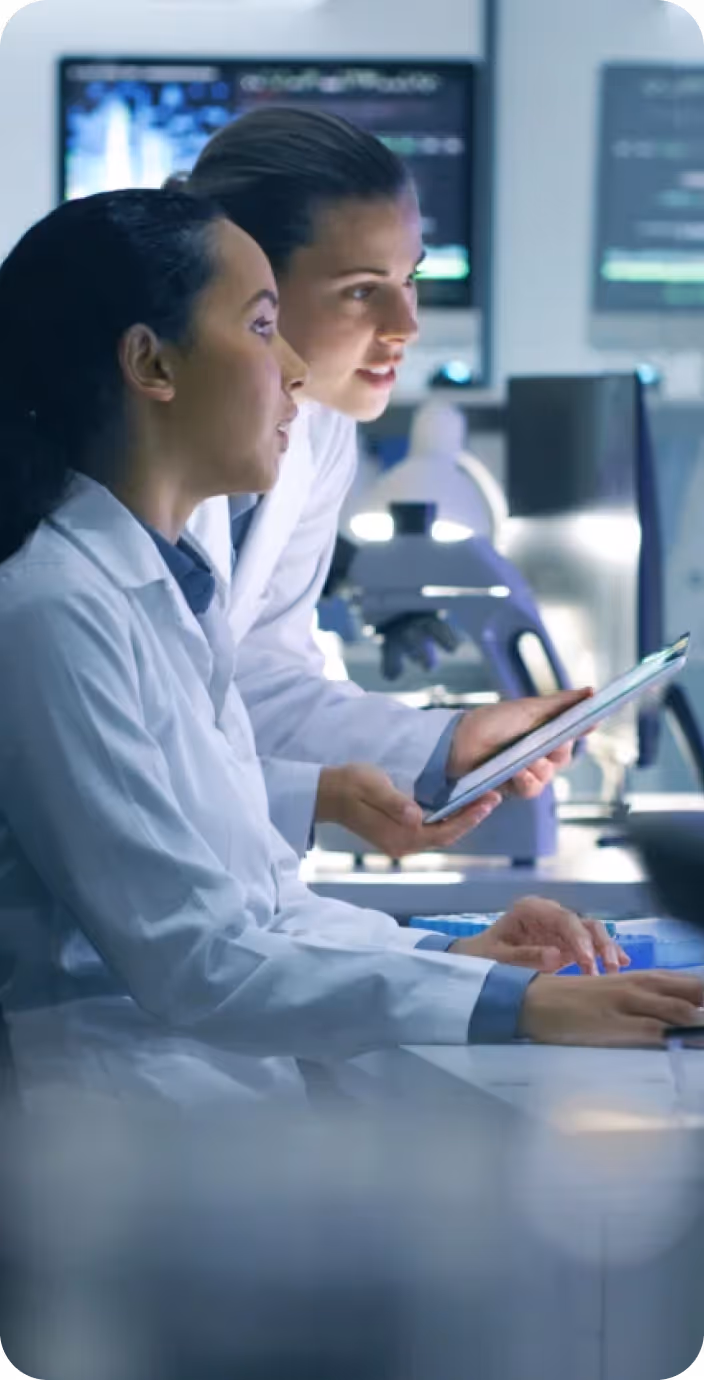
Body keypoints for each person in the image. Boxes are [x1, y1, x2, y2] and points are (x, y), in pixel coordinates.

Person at [0, 189, 701, 1109]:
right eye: (261, 326)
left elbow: (265, 908)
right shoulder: (53, 606)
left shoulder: (166, 590)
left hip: (216, 1106)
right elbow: (197, 959)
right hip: (124, 1132)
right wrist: (520, 1003)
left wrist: (462, 955)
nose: (293, 370)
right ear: (149, 362)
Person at [170, 107, 590, 860]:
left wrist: (448, 742)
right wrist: (316, 798)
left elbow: (257, 678)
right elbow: (137, 752)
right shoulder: (121, 465)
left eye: (410, 280)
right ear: (244, 285)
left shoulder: (320, 430)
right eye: (363, 291)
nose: (407, 325)